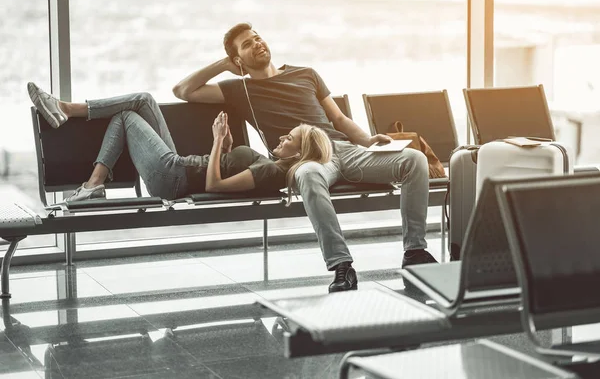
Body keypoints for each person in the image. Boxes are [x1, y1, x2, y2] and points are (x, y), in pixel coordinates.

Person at [172, 22, 439, 293]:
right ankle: (342, 265)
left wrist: (368, 140)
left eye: (258, 37)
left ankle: (415, 251)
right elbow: (183, 90)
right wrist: (224, 65)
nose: (258, 44)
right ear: (238, 59)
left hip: (344, 150)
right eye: (247, 44)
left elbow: (338, 118)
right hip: (304, 160)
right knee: (308, 175)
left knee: (414, 159)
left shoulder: (306, 74)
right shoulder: (238, 89)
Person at [27, 83, 332, 202]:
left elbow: (214, 185)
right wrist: (225, 145)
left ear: (300, 153)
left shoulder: (272, 172)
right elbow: (225, 171)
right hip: (179, 167)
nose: (282, 137)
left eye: (290, 138)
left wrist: (214, 143)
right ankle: (65, 108)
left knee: (125, 118)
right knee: (142, 99)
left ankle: (93, 185)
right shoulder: (270, 166)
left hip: (173, 178)